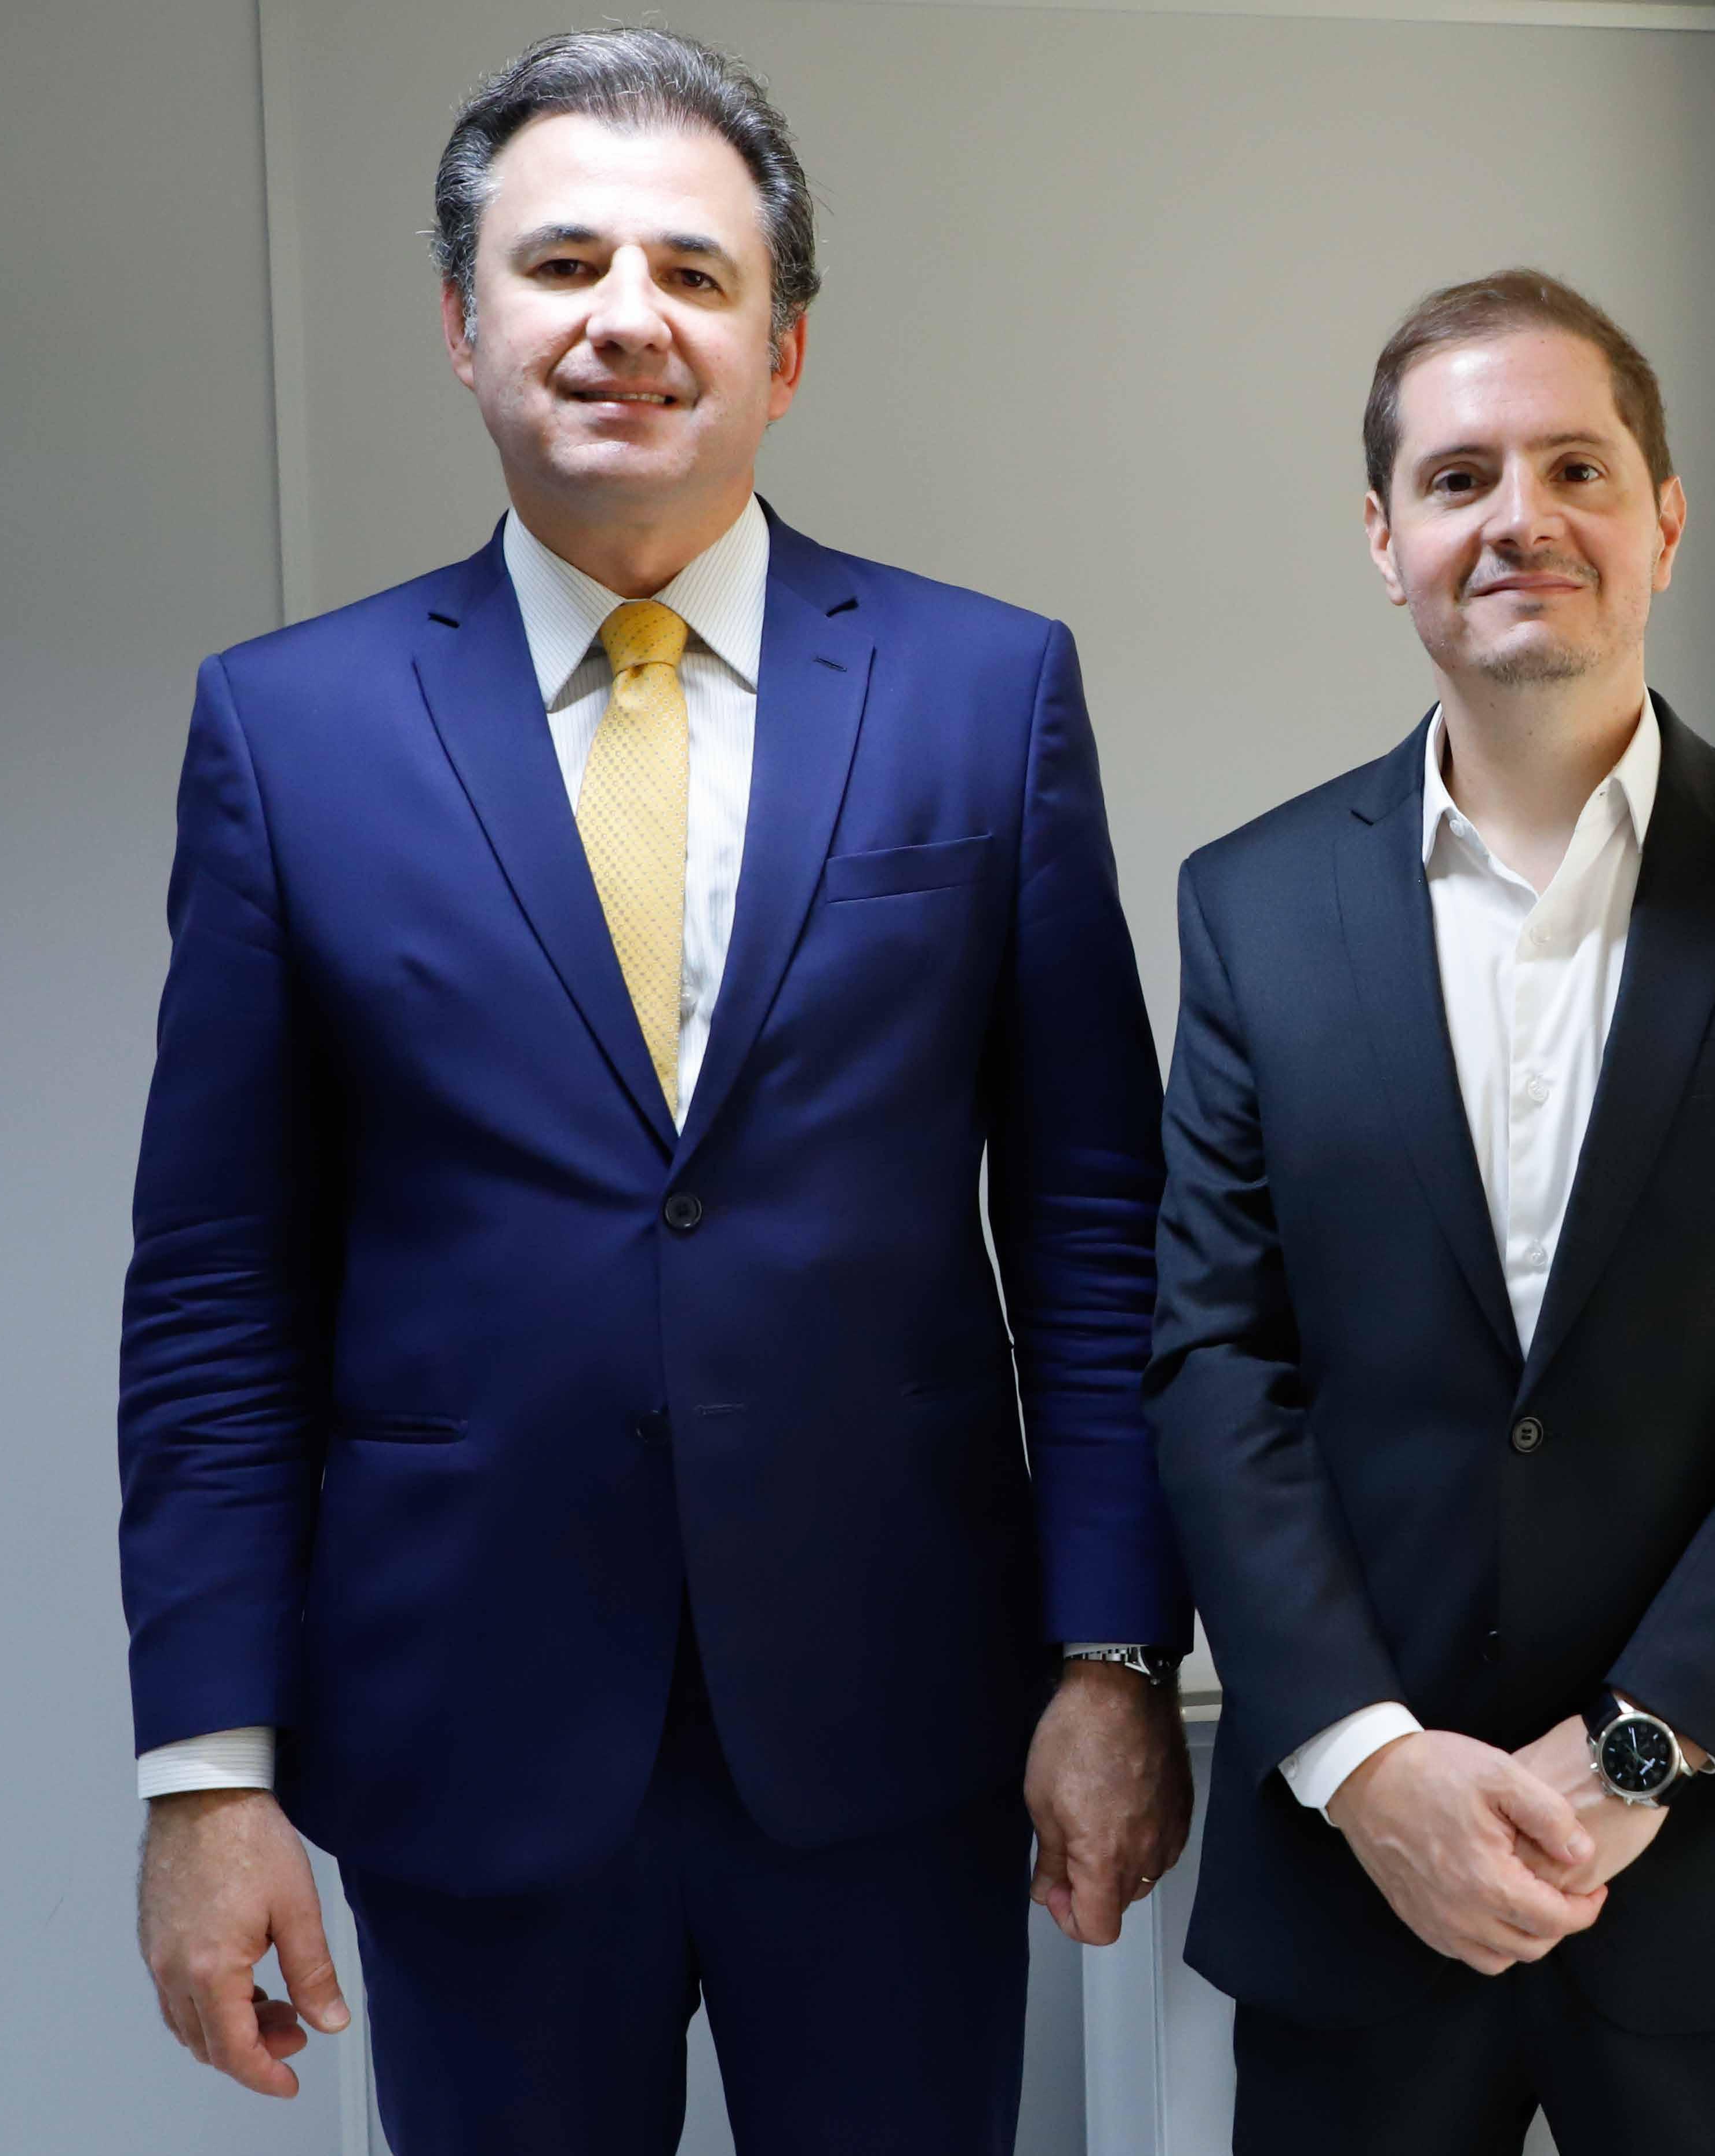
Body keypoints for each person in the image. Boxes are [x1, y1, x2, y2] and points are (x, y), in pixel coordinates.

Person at [118, 29, 1190, 2150]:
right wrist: (207, 1772)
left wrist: (1115, 1657)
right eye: (564, 263)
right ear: (464, 326)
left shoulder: (985, 694)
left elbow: (1093, 1232)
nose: (629, 316)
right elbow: (220, 1288)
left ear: (782, 349)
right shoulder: (289, 728)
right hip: (465, 1722)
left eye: (696, 272)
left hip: (900, 1715)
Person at [1146, 268, 1715, 2155]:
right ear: (1385, 541)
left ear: (1663, 519)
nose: (1519, 517)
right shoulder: (1250, 907)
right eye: (1458, 478)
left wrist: (1636, 1754)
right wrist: (1367, 1766)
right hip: (1358, 1877)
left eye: (1575, 467)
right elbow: (1212, 1360)